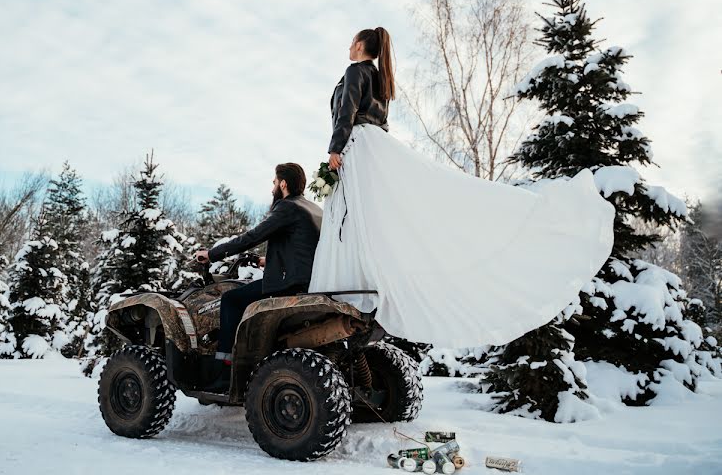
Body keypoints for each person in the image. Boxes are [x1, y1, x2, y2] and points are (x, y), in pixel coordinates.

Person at [309, 27, 616, 348]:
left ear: (359, 45)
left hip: (357, 147)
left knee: (358, 219)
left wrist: (335, 148)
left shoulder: (355, 71)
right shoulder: (380, 78)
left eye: (350, 41)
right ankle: (369, 287)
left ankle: (354, 288)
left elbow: (347, 112)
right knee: (376, 218)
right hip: (376, 146)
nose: (348, 46)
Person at [195, 162, 322, 392]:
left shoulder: (287, 207)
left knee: (231, 300)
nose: (272, 186)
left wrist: (211, 254)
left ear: (283, 184)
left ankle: (225, 370)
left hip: (288, 284)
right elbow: (302, 246)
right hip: (307, 279)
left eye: (274, 182)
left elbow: (253, 236)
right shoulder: (312, 208)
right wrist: (267, 261)